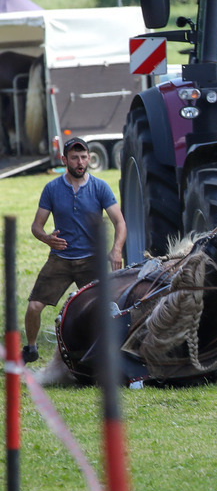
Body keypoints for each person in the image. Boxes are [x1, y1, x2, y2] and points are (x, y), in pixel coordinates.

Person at [21, 137, 127, 363]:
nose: (80, 162)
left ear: (89, 158)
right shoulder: (52, 188)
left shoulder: (100, 187)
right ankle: (30, 348)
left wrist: (116, 250)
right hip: (61, 259)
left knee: (108, 308)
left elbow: (120, 222)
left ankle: (111, 354)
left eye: (83, 157)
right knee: (33, 306)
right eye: (74, 158)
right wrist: (47, 238)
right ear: (64, 160)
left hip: (91, 261)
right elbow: (36, 226)